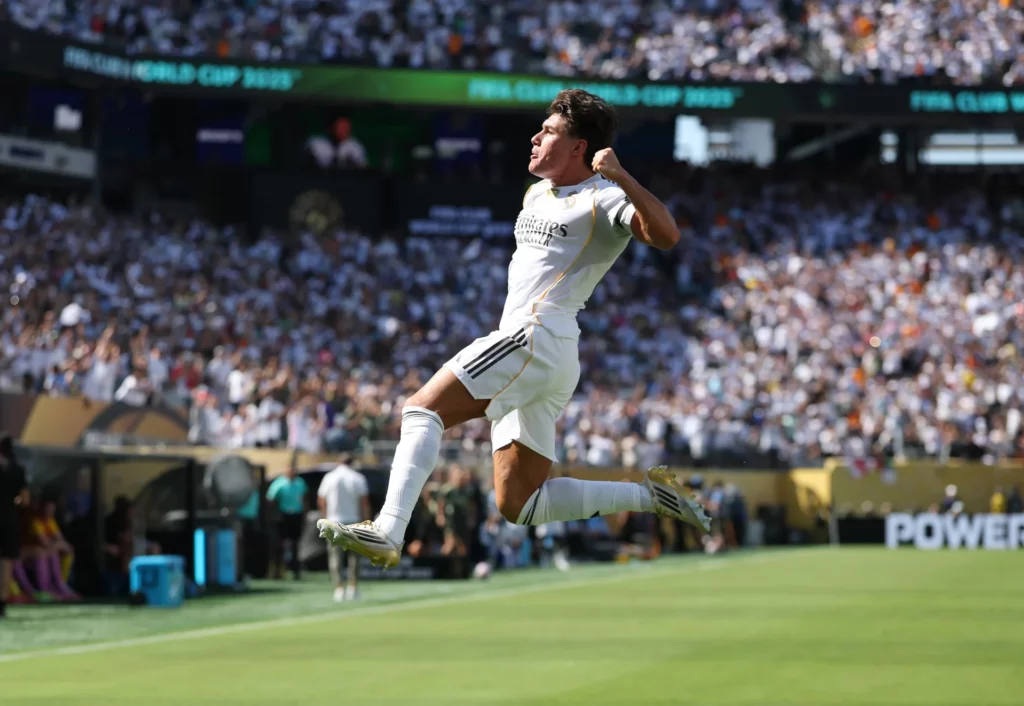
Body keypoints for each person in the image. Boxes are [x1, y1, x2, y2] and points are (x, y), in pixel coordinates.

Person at [318, 89, 709, 568]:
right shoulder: (535, 193)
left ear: (578, 147)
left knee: (422, 410)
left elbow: (667, 235)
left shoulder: (604, 196)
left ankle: (387, 529)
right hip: (548, 353)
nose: (535, 136)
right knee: (519, 504)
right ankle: (649, 496)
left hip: (536, 336)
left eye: (548, 131)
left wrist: (622, 175)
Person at [316, 459, 369, 601]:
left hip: (334, 520)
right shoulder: (357, 477)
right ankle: (353, 587)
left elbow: (321, 499)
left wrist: (324, 517)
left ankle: (339, 588)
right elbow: (364, 502)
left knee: (335, 557)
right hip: (354, 520)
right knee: (354, 557)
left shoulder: (330, 477)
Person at [0, 433, 29, 617]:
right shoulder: (18, 470)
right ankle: (2, 601)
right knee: (6, 561)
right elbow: (25, 500)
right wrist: (14, 501)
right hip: (9, 518)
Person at [266, 462, 309, 579]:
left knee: (295, 544)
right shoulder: (279, 483)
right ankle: (277, 570)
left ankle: (295, 570)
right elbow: (271, 499)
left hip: (296, 515)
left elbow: (304, 499)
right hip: (283, 516)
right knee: (280, 544)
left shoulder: (300, 483)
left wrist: (305, 514)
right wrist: (274, 515)